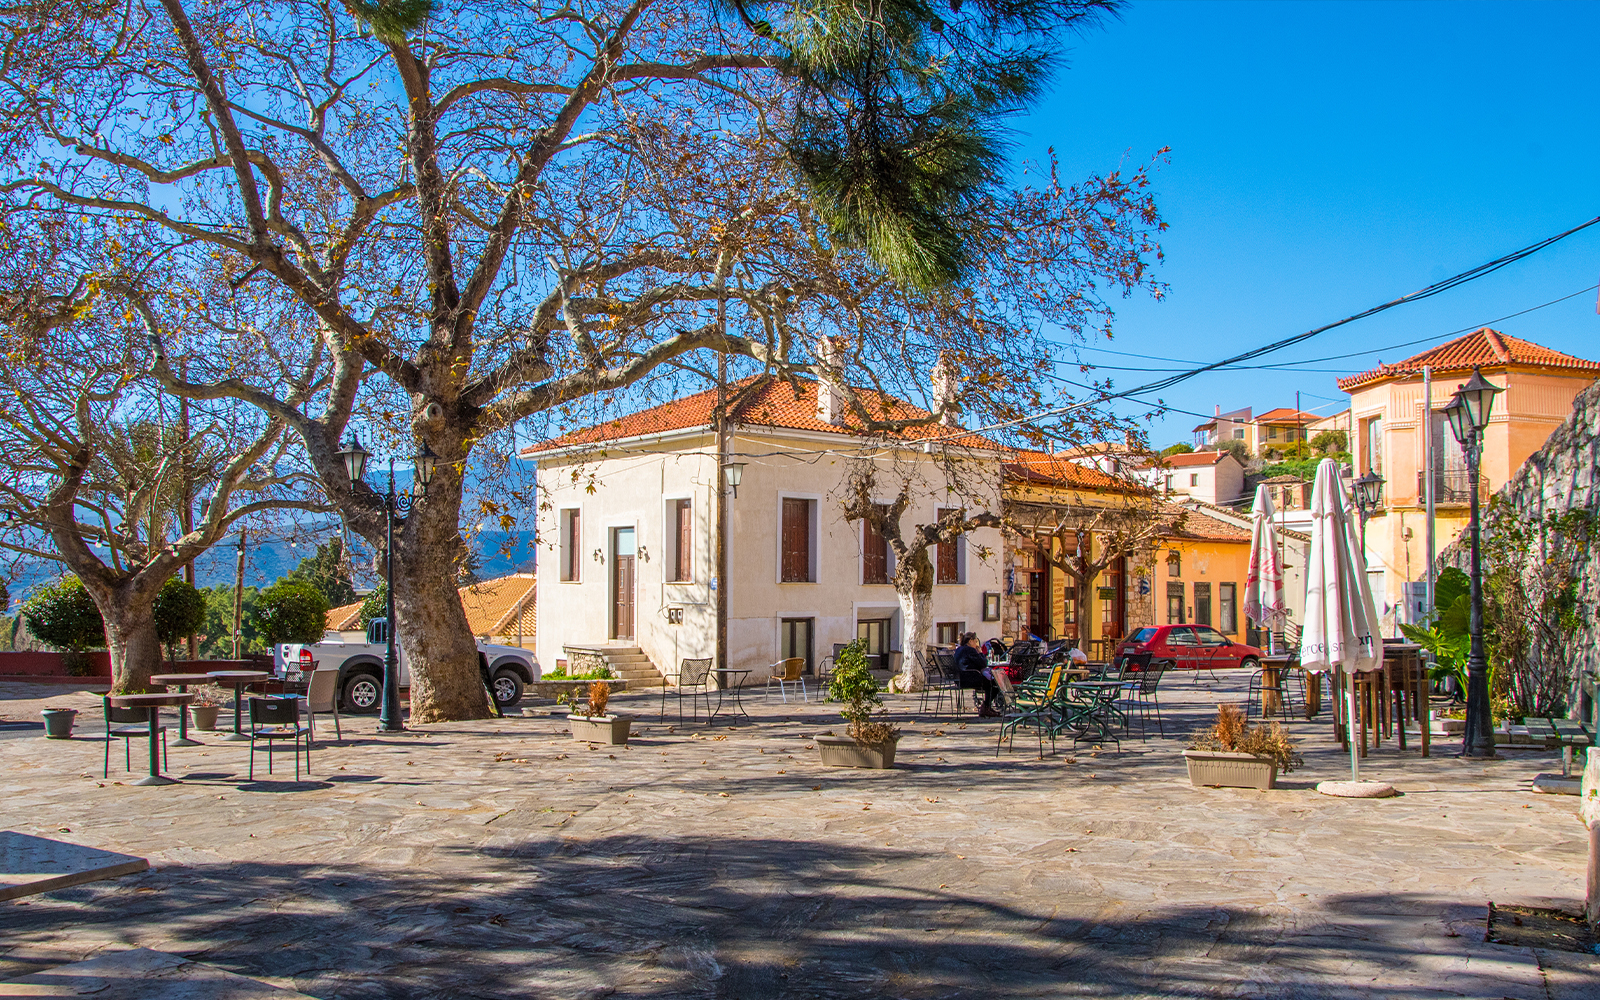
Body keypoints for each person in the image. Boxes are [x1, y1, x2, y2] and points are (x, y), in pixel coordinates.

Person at [953, 632, 1001, 717]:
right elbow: (983, 663)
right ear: (971, 641)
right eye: (975, 642)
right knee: (995, 683)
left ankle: (987, 707)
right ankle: (986, 706)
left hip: (959, 678)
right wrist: (980, 652)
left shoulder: (959, 649)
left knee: (990, 682)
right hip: (970, 678)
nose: (976, 644)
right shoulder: (970, 650)